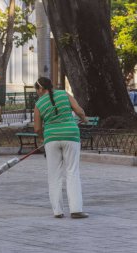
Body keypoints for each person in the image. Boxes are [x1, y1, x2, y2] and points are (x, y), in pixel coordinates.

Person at [33, 77, 89, 219]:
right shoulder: (64, 94)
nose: (37, 93)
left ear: (40, 89)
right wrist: (84, 119)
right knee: (72, 172)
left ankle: (58, 211)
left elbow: (37, 128)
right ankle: (76, 209)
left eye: (37, 90)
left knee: (54, 174)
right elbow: (79, 111)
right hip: (71, 135)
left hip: (51, 138)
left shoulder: (39, 104)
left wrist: (43, 137)